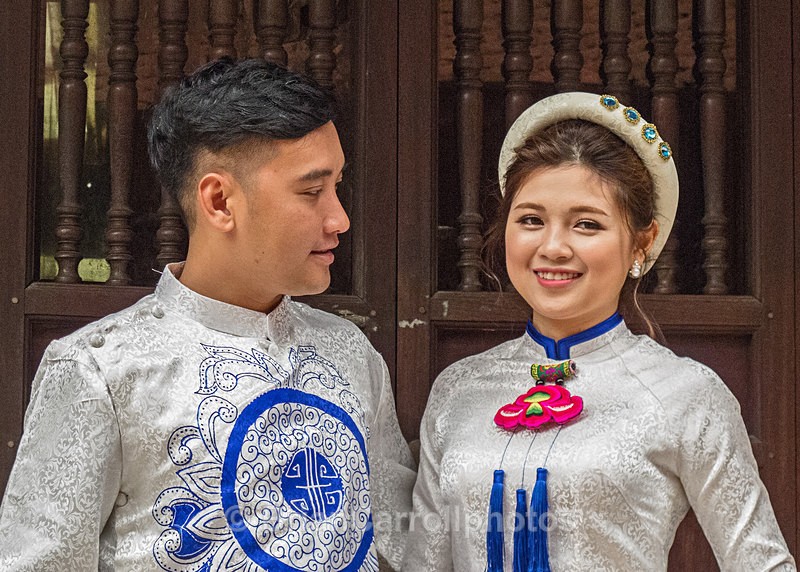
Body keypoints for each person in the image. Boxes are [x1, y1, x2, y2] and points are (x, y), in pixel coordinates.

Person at [0, 58, 415, 571]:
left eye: (337, 187)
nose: (340, 218)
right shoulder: (101, 370)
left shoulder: (349, 352)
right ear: (219, 200)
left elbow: (400, 544)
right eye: (312, 191)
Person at [402, 92, 795, 571]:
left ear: (642, 242)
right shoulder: (458, 390)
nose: (553, 247)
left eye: (586, 224)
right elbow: (422, 562)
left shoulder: (686, 394)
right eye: (530, 220)